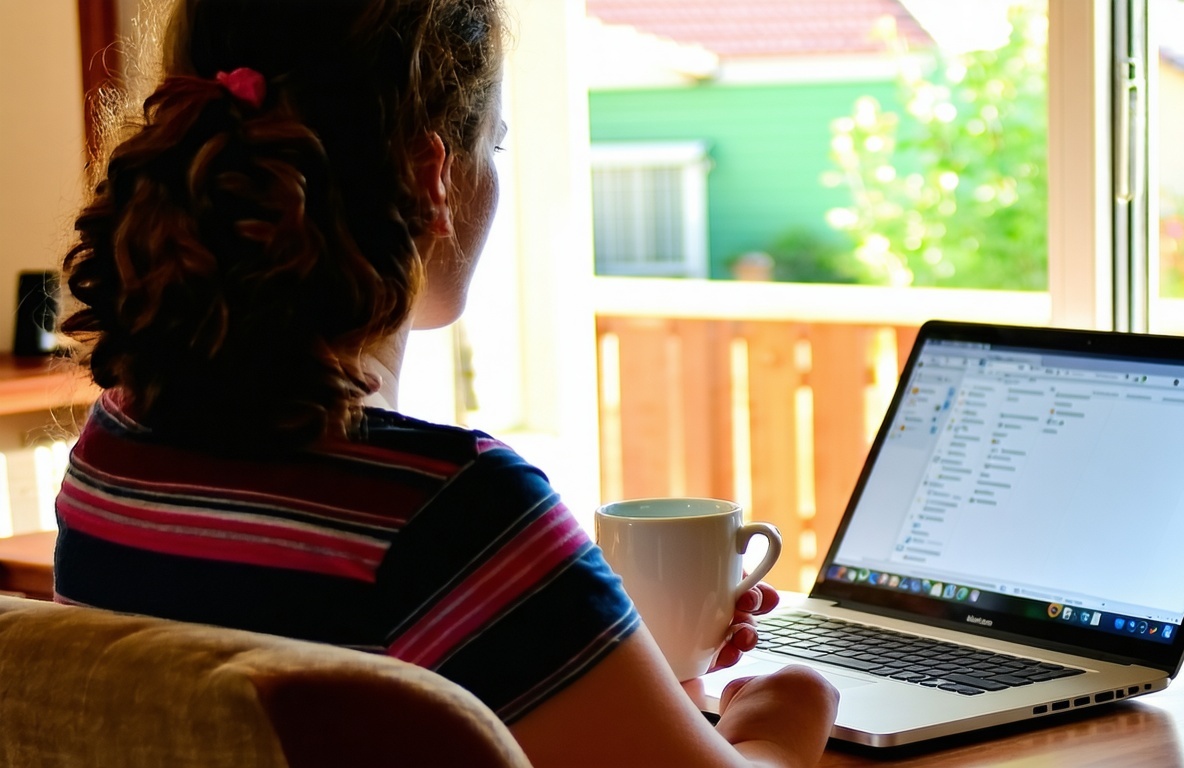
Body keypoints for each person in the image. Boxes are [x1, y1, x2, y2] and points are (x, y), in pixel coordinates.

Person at [52, 1, 838, 765]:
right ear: (433, 177)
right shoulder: (456, 513)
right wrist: (781, 721)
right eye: (493, 146)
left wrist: (598, 650)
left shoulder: (109, 456)